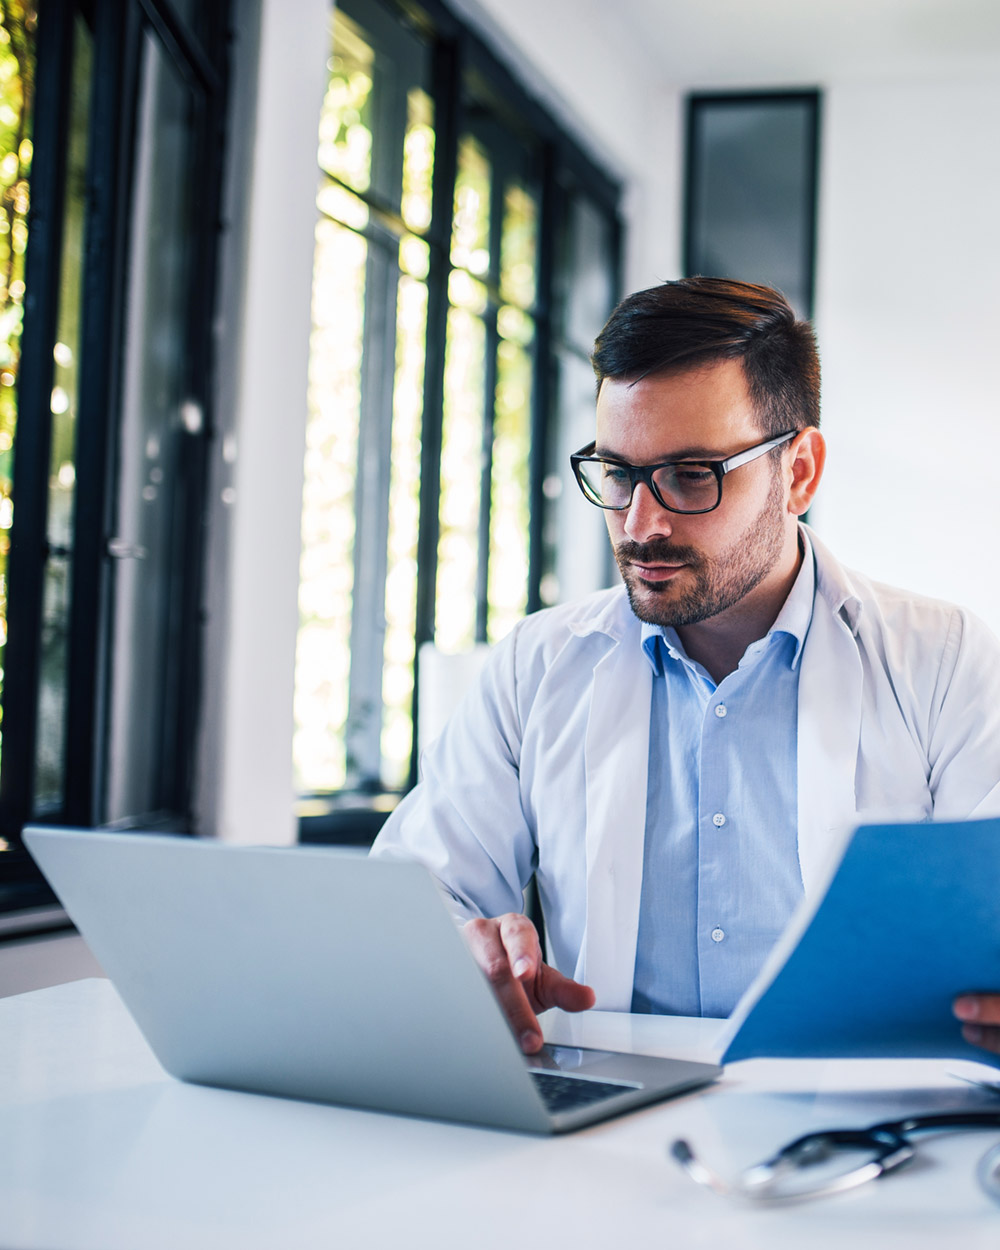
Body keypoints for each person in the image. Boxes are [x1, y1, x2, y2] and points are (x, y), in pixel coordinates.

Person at [371, 277, 1000, 1058]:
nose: (642, 524)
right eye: (618, 473)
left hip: (857, 1111)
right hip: (601, 1118)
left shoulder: (943, 662)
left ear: (798, 472)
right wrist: (461, 948)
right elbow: (416, 892)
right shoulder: (536, 668)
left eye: (691, 474)